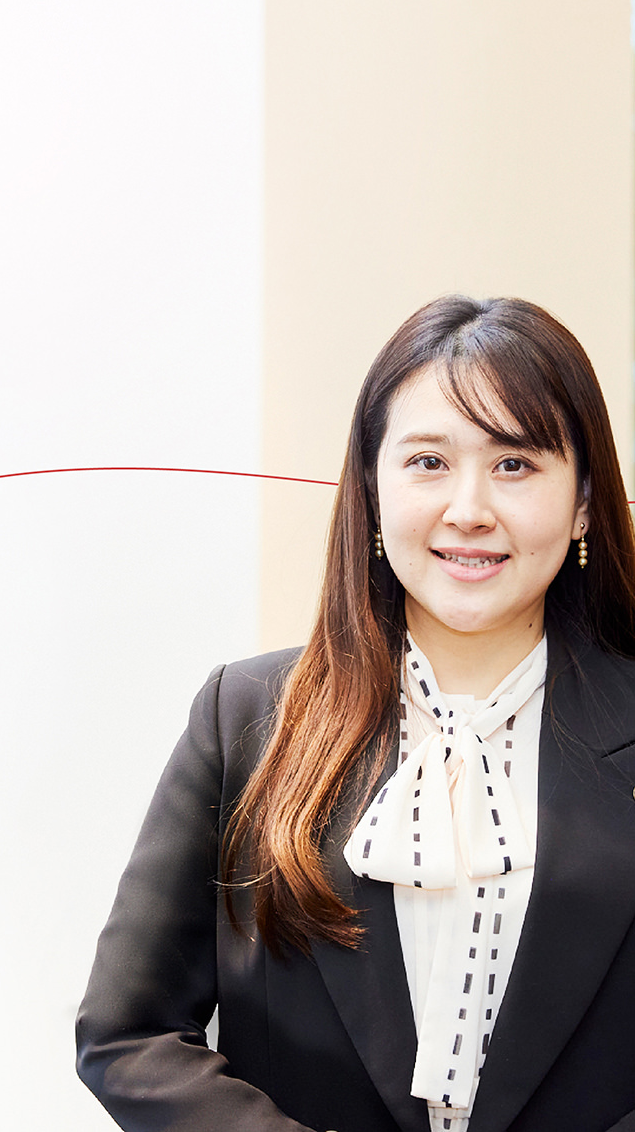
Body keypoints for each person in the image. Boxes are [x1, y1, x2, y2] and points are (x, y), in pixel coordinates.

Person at [76, 295, 635, 1132]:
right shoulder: (245, 718)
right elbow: (128, 1035)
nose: (469, 508)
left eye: (515, 463)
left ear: (584, 499)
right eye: (428, 462)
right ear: (372, 487)